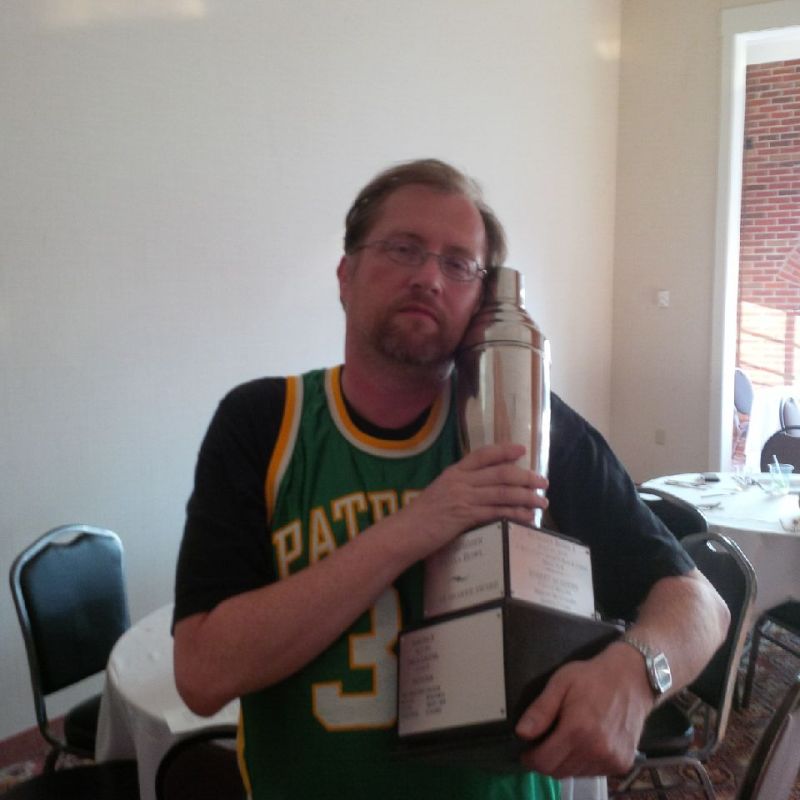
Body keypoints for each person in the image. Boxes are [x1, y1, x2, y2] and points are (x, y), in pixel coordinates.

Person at [172, 158, 730, 799]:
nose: (429, 278)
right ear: (346, 274)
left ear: (479, 297)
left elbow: (701, 607)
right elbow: (203, 674)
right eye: (403, 249)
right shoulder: (265, 423)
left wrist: (637, 672)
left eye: (459, 264)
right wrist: (415, 527)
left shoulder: (528, 425)